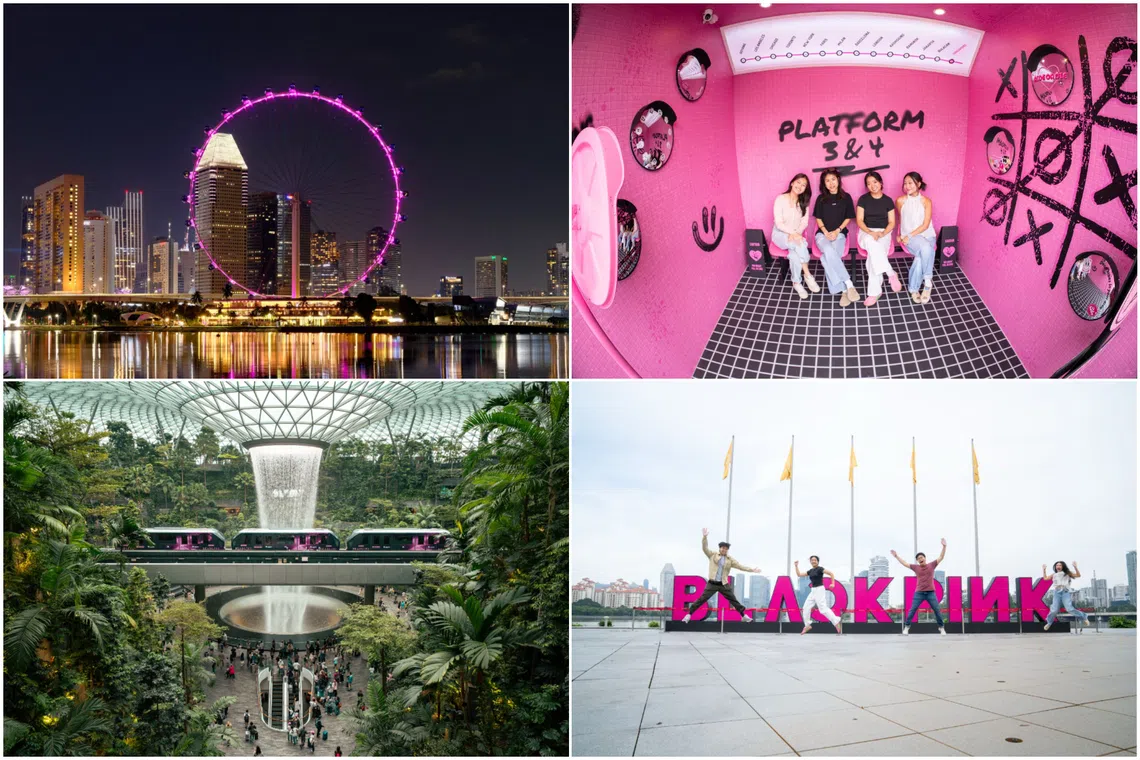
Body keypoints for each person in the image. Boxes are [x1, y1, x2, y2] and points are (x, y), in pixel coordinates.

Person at [680, 528, 761, 623]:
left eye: (726, 549)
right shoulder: (713, 555)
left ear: (727, 550)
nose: (724, 550)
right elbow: (704, 548)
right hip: (712, 583)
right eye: (722, 548)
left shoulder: (730, 559)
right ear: (720, 548)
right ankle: (689, 615)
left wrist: (752, 570)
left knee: (733, 600)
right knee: (702, 599)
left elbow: (740, 566)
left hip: (723, 584)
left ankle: (744, 616)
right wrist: (705, 537)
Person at [812, 168, 861, 306]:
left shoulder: (846, 197)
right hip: (822, 234)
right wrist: (825, 231)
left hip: (840, 234)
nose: (831, 183)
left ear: (838, 180)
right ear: (824, 184)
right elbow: (819, 218)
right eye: (827, 181)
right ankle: (848, 283)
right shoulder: (821, 199)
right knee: (828, 251)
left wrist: (838, 230)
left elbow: (848, 218)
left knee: (826, 257)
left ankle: (842, 291)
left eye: (833, 179)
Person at [856, 171, 900, 306]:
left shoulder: (888, 200)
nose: (872, 185)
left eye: (874, 182)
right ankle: (890, 273)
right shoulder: (863, 199)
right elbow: (859, 220)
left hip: (884, 232)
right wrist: (870, 232)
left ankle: (874, 293)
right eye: (868, 183)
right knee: (872, 244)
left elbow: (892, 222)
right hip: (866, 232)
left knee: (872, 258)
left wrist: (883, 233)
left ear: (881, 183)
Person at [772, 173, 815, 299]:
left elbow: (804, 222)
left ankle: (796, 282)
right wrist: (792, 233)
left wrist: (796, 233)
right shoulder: (780, 199)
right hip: (780, 234)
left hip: (796, 234)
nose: (800, 186)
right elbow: (778, 223)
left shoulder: (804, 202)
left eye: (803, 185)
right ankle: (807, 274)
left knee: (795, 255)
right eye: (798, 182)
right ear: (792, 183)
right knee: (800, 243)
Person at [896, 171, 937, 304]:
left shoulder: (927, 201)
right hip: (911, 239)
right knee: (926, 248)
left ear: (918, 184)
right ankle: (927, 281)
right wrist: (902, 235)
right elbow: (904, 221)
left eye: (910, 183)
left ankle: (914, 289)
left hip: (927, 235)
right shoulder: (900, 201)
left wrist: (908, 235)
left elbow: (925, 225)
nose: (907, 186)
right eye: (905, 183)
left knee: (921, 256)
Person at [891, 539, 947, 634]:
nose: (920, 559)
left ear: (925, 558)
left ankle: (941, 627)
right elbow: (905, 563)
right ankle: (907, 627)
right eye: (918, 558)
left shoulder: (932, 565)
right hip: (919, 593)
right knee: (913, 609)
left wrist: (944, 547)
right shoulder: (916, 567)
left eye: (921, 557)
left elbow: (941, 557)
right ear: (917, 561)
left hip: (930, 592)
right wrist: (896, 556)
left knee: (937, 610)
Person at [794, 556, 843, 634]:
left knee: (822, 609)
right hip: (813, 591)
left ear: (817, 561)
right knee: (805, 608)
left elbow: (831, 574)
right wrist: (796, 566)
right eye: (812, 560)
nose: (813, 561)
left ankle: (836, 622)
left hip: (820, 589)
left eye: (815, 560)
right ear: (810, 562)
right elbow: (799, 574)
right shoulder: (810, 571)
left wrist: (832, 583)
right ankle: (807, 625)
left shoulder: (820, 569)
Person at [1043, 561, 1090, 630]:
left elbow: (1078, 575)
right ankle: (1049, 623)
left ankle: (1084, 617)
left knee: (1069, 609)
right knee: (1054, 610)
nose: (1058, 566)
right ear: (1055, 567)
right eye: (1057, 565)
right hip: (1057, 592)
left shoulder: (1067, 573)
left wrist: (1075, 567)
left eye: (1060, 565)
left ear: (1062, 567)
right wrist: (1044, 570)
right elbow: (1045, 578)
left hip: (1065, 591)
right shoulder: (1054, 574)